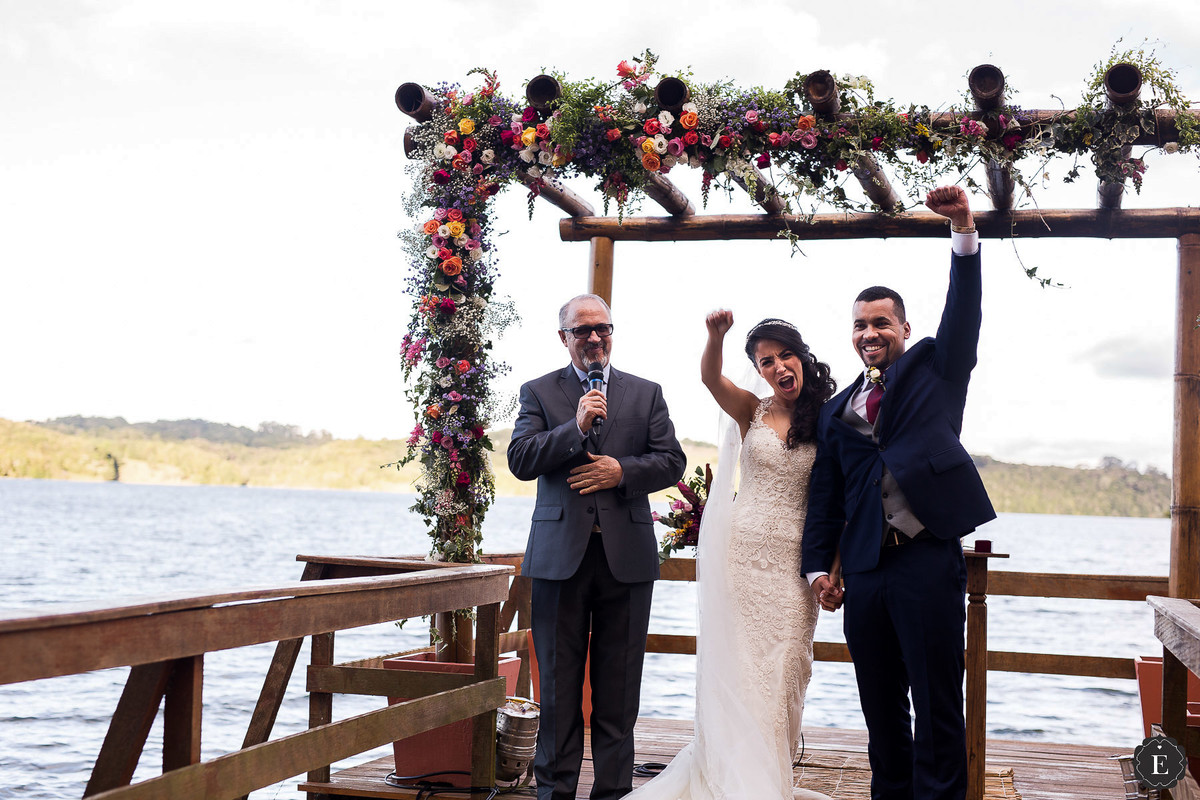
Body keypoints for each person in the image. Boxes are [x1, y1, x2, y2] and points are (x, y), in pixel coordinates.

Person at [801, 185, 996, 800]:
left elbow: (963, 315)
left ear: (903, 328)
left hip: (926, 561)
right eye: (859, 325)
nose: (869, 333)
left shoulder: (937, 369)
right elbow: (826, 502)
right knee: (880, 706)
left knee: (937, 703)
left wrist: (963, 231)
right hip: (863, 573)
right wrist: (817, 570)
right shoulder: (836, 413)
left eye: (880, 322)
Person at [624, 312, 837, 800]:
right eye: (766, 361)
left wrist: (832, 568)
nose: (779, 366)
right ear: (758, 370)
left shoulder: (829, 416)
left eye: (785, 355)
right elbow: (708, 377)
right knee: (741, 669)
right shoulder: (751, 411)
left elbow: (838, 500)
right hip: (742, 555)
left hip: (794, 563)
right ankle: (736, 779)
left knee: (784, 669)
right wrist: (715, 336)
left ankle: (769, 778)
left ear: (801, 356)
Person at [508, 293, 686, 800]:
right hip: (560, 560)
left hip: (625, 560)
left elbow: (671, 461)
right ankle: (555, 793)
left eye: (602, 328)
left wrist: (621, 471)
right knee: (559, 691)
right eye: (582, 330)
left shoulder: (646, 393)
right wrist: (576, 427)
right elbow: (521, 459)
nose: (593, 338)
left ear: (612, 332)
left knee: (619, 690)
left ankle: (612, 793)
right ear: (563, 337)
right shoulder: (538, 392)